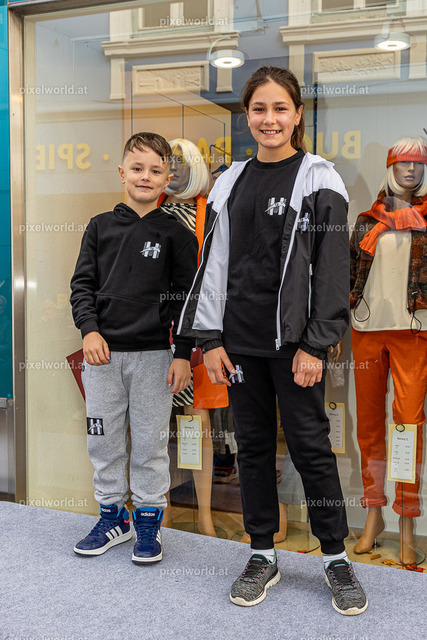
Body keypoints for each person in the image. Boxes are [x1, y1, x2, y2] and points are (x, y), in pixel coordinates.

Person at [177, 66, 368, 615]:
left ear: (297, 114)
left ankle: (336, 558)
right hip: (238, 343)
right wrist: (210, 339)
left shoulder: (320, 179)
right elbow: (213, 263)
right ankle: (262, 552)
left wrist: (316, 344)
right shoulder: (230, 182)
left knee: (312, 450)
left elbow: (332, 271)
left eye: (280, 108)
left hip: (295, 345)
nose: (269, 119)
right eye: (259, 109)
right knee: (253, 448)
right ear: (247, 116)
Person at [70, 132, 198, 564]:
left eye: (156, 170)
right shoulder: (99, 226)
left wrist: (183, 353)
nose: (146, 176)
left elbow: (188, 300)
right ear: (122, 172)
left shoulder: (177, 235)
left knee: (150, 444)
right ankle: (112, 517)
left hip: (154, 359)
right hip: (101, 357)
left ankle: (147, 521)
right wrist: (89, 330)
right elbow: (81, 285)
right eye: (137, 168)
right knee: (103, 442)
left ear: (167, 178)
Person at [350, 136, 427, 565]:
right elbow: (349, 277)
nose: (411, 170)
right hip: (366, 330)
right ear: (391, 167)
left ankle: (408, 520)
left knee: (408, 425)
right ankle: (374, 512)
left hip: (413, 331)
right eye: (404, 163)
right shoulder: (367, 221)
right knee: (368, 426)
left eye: (418, 163)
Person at [158, 138, 229, 537]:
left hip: (197, 329)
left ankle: (204, 513)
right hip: (155, 328)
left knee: (197, 419)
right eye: (165, 161)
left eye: (178, 161)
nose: (171, 168)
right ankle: (162, 508)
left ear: (195, 166)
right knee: (153, 421)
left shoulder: (211, 211)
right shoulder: (150, 211)